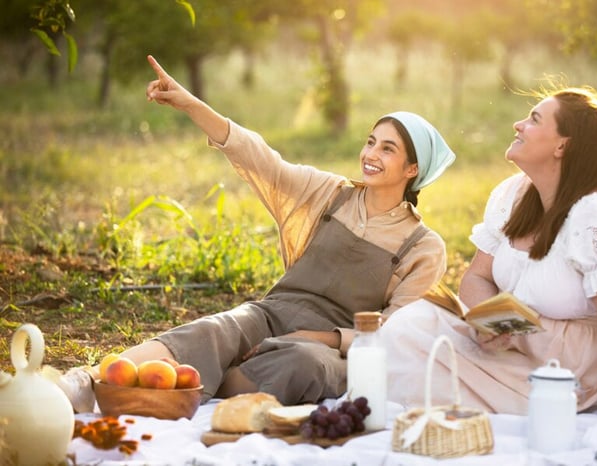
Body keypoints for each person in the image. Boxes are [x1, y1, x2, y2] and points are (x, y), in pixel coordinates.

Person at [58, 55, 456, 412]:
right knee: (216, 329)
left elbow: (393, 332)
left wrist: (323, 337)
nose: (371, 155)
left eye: (388, 149)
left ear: (412, 170)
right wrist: (190, 103)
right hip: (272, 314)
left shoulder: (422, 246)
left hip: (331, 349)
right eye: (371, 142)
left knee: (302, 365)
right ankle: (89, 382)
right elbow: (260, 157)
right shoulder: (331, 194)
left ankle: (196, 389)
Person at [379, 86, 597, 414]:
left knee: (415, 378)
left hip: (571, 378)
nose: (518, 124)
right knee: (407, 326)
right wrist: (493, 323)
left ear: (562, 145)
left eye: (534, 119)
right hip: (513, 350)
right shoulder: (515, 195)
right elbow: (477, 277)